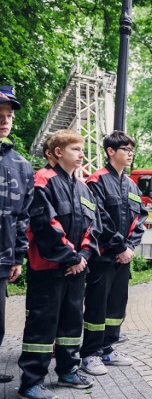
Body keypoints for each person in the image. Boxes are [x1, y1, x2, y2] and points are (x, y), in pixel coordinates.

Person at [18, 129, 100, 399]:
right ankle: (31, 381)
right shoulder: (41, 181)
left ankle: (68, 370)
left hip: (76, 270)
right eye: (75, 149)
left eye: (82, 149)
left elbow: (93, 226)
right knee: (42, 325)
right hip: (48, 269)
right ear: (56, 153)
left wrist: (84, 257)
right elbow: (45, 225)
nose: (81, 154)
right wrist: (72, 257)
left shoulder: (82, 186)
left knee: (71, 323)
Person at [80, 131, 148, 375]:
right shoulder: (96, 181)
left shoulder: (131, 184)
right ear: (111, 151)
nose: (130, 154)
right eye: (125, 150)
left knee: (117, 305)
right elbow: (99, 219)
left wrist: (130, 247)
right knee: (97, 306)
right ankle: (90, 354)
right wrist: (120, 247)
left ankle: (108, 348)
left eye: (132, 150)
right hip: (103, 257)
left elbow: (140, 219)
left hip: (123, 258)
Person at [0, 86, 34, 384]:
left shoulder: (21, 164)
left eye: (8, 115)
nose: (5, 120)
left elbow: (24, 215)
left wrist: (17, 257)